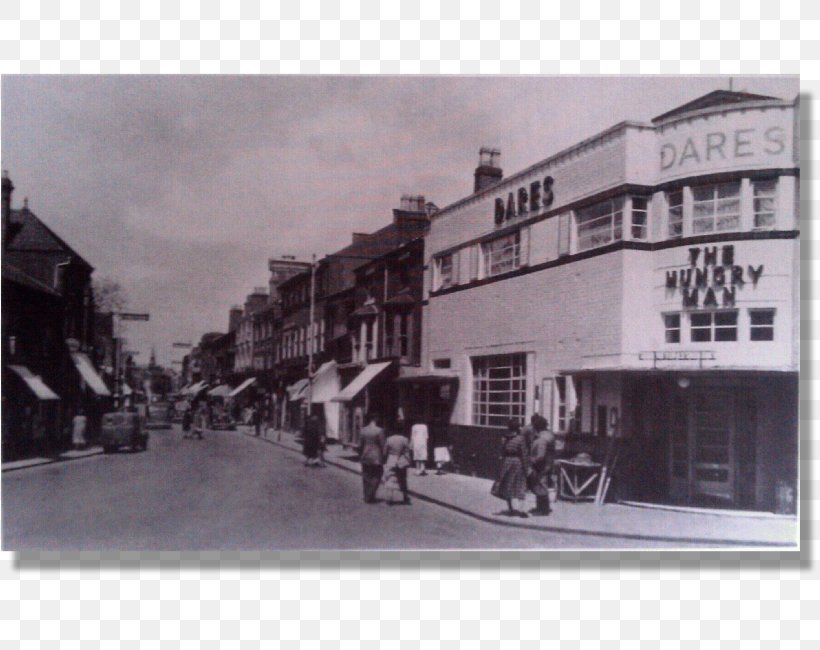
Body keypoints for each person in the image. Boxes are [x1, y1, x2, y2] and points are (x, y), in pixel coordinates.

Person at [492, 418, 530, 518]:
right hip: (518, 462)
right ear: (518, 427)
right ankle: (521, 510)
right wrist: (527, 468)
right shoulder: (520, 439)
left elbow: (502, 452)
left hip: (507, 462)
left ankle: (511, 509)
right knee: (520, 485)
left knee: (507, 485)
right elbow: (524, 454)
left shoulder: (505, 438)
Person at [528, 416, 556, 515]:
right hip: (548, 463)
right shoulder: (549, 435)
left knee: (541, 485)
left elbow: (540, 455)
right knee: (541, 485)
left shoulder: (542, 438)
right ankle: (541, 508)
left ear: (537, 427)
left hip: (542, 465)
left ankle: (543, 510)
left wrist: (531, 460)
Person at [358, 413, 386, 503]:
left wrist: (361, 454)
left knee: (366, 476)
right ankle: (371, 494)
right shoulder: (379, 431)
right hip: (376, 457)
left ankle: (366, 495)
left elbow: (360, 445)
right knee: (377, 475)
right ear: (375, 418)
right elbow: (383, 445)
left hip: (365, 455)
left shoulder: (363, 430)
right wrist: (384, 456)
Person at [383, 428, 413, 504]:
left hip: (391, 460)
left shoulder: (389, 439)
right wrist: (408, 460)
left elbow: (384, 451)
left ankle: (389, 497)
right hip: (401, 461)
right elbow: (407, 451)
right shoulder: (405, 439)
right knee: (403, 480)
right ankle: (405, 496)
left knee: (390, 478)